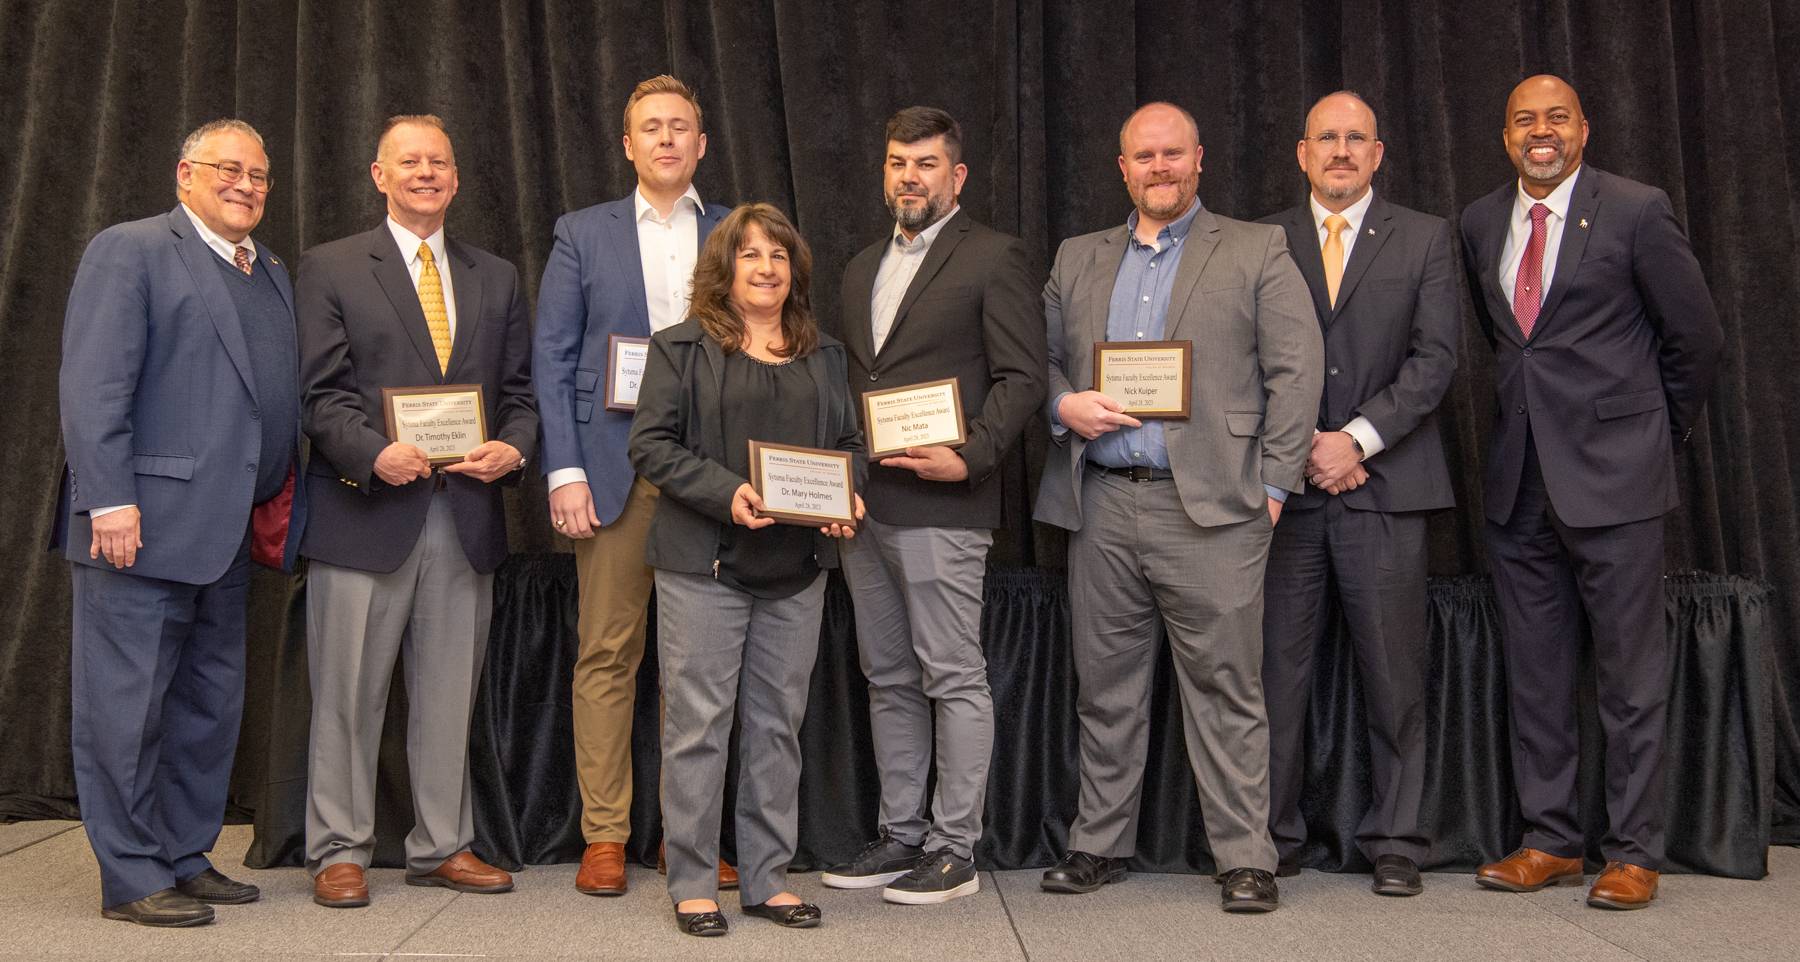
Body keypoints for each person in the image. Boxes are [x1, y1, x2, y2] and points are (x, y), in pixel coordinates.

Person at [1033, 101, 1322, 913]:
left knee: (1228, 686)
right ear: (1121, 168)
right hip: (1104, 504)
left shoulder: (1259, 248)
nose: (1158, 168)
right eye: (1142, 157)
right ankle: (1099, 844)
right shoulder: (1077, 257)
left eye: (1172, 154)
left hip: (1216, 509)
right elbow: (1041, 362)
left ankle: (1244, 858)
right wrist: (1064, 407)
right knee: (1106, 688)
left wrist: (1271, 487)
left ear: (1199, 160)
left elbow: (1296, 374)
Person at [1460, 75, 1722, 910]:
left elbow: (1697, 340)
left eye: (1556, 118)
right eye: (1524, 121)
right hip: (1518, 483)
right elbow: (1510, 346)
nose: (1541, 132)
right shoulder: (1477, 222)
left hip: (1618, 482)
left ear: (1584, 129)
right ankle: (1550, 840)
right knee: (1536, 673)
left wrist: (1652, 437)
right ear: (1506, 137)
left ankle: (1634, 851)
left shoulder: (1638, 210)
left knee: (1629, 674)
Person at [55, 118, 306, 926]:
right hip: (138, 528)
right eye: (227, 168)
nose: (245, 184)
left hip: (227, 532)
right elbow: (93, 387)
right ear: (183, 174)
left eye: (259, 175)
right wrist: (109, 499)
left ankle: (184, 853)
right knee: (125, 711)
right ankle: (131, 874)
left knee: (207, 704)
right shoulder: (130, 250)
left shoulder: (266, 267)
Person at [297, 115, 537, 909]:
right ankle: (339, 849)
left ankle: (441, 846)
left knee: (447, 696)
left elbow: (521, 396)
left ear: (458, 178)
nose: (425, 172)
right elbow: (320, 394)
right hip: (366, 512)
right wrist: (371, 453)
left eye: (439, 161)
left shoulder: (495, 274)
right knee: (346, 696)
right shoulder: (332, 266)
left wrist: (513, 448)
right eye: (410, 161)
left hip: (464, 516)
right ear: (379, 174)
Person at [821, 106, 1045, 904]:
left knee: (952, 676)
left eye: (924, 164)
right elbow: (851, 388)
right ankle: (902, 834)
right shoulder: (856, 269)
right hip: (867, 508)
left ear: (957, 176)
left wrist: (973, 456)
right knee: (887, 676)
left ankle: (956, 850)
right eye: (895, 163)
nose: (907, 177)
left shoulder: (995, 257)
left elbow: (1024, 380)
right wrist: (839, 478)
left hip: (945, 507)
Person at [628, 203, 866, 936]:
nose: (765, 268)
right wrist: (725, 492)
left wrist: (845, 494)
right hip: (707, 561)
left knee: (776, 726)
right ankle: (694, 882)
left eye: (778, 256)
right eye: (750, 254)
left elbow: (851, 441)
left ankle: (766, 879)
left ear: (794, 270)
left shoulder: (823, 354)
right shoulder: (679, 348)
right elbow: (652, 446)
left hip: (797, 567)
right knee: (697, 725)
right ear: (723, 268)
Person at [532, 74, 738, 896]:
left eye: (679, 127)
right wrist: (566, 469)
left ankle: (688, 840)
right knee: (608, 654)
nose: (664, 139)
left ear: (700, 144)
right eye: (649, 127)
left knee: (698, 665)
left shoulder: (736, 230)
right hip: (612, 471)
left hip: (708, 474)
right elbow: (552, 356)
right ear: (627, 145)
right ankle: (606, 835)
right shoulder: (582, 233)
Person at [1255, 91, 1459, 896]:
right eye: (1326, 139)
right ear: (1302, 154)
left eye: (1356, 139)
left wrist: (1356, 441)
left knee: (1394, 674)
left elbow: (1435, 361)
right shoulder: (1261, 239)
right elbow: (1243, 357)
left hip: (1386, 488)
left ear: (1379, 155)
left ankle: (1399, 841)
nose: (1341, 151)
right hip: (1286, 493)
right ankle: (1266, 839)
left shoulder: (1425, 237)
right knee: (1275, 675)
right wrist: (1301, 448)